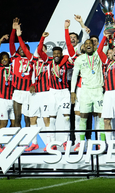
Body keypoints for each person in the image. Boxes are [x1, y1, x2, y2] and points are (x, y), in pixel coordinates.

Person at [38, 20, 77, 151]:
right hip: (52, 92)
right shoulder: (48, 62)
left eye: (58, 54)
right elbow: (39, 50)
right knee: (52, 119)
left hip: (64, 92)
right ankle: (51, 143)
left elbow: (71, 53)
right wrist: (43, 38)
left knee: (66, 119)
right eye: (54, 53)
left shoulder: (66, 63)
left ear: (61, 55)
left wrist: (66, 29)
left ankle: (66, 142)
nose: (56, 55)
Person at [70, 38, 105, 151]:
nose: (89, 45)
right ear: (84, 47)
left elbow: (105, 46)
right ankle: (81, 142)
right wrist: (73, 92)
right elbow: (74, 75)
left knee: (101, 117)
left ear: (94, 46)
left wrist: (105, 36)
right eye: (86, 44)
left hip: (98, 89)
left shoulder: (98, 55)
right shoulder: (80, 59)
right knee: (83, 117)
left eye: (91, 44)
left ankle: (101, 142)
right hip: (85, 90)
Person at [9, 18, 34, 128]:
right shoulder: (15, 57)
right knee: (17, 118)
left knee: (27, 119)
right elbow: (11, 43)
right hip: (17, 92)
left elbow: (23, 46)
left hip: (28, 92)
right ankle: (18, 143)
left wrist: (20, 37)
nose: (21, 50)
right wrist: (14, 30)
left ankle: (29, 143)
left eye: (23, 49)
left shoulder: (31, 59)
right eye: (20, 49)